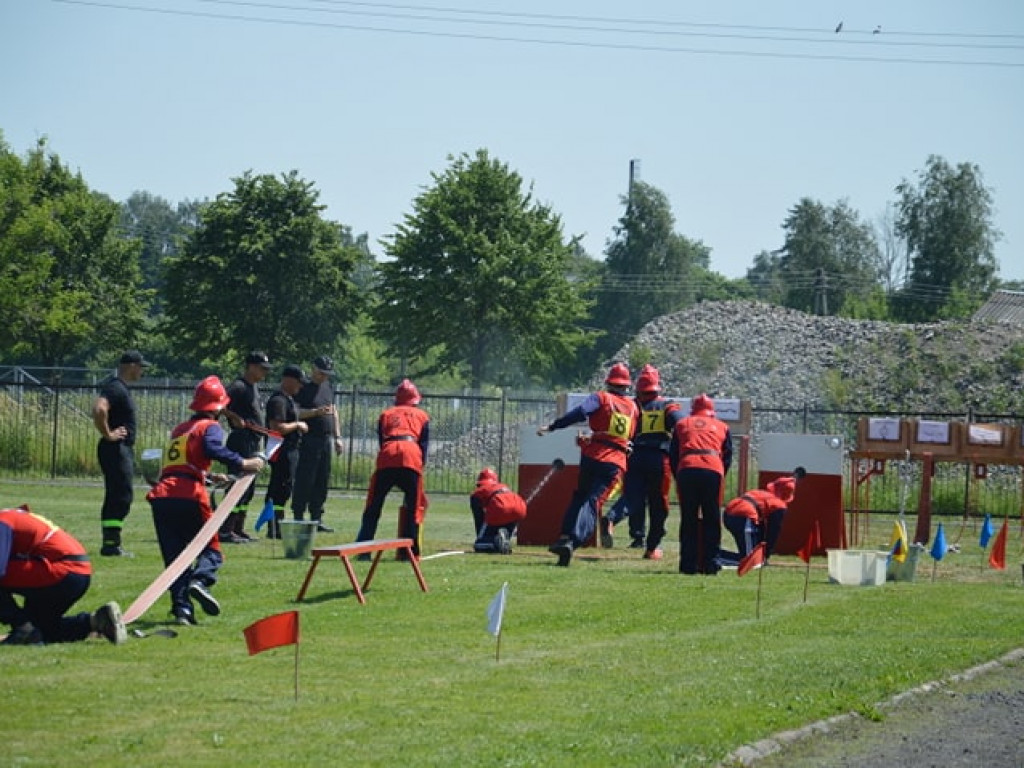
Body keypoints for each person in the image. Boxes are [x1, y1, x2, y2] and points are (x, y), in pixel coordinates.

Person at [146, 376, 264, 625]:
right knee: (211, 550)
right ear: (218, 408)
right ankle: (200, 581)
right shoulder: (209, 427)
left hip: (162, 496)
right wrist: (243, 462)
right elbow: (212, 448)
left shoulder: (180, 430)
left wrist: (207, 475)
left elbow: (179, 463)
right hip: (189, 496)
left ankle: (182, 611)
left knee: (175, 559)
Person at [537, 362, 639, 566]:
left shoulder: (600, 398)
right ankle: (572, 542)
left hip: (592, 455)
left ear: (609, 382)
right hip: (615, 461)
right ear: (626, 386)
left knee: (580, 496)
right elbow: (627, 437)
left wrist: (554, 426)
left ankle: (565, 536)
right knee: (593, 502)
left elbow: (579, 413)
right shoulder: (633, 408)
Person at [1, 504, 126, 645]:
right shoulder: (9, 517)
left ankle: (23, 628)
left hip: (62, 570)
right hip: (76, 573)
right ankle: (95, 622)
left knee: (30, 630)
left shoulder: (3, 521)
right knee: (43, 630)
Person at [601, 364, 683, 560]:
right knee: (658, 503)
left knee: (632, 497)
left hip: (633, 456)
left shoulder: (631, 406)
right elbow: (680, 423)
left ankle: (612, 519)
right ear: (657, 386)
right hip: (658, 457)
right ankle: (652, 546)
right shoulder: (666, 405)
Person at [356, 379, 430, 557]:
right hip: (411, 455)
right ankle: (410, 552)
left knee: (374, 504)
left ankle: (363, 548)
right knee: (413, 507)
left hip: (388, 454)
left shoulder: (386, 414)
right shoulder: (422, 416)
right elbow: (424, 445)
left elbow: (382, 440)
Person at [92, 349, 148, 556]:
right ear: (131, 366)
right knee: (120, 495)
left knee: (120, 494)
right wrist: (108, 434)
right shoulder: (116, 388)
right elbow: (99, 409)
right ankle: (111, 544)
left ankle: (112, 542)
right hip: (115, 448)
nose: (141, 371)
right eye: (140, 367)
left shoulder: (121, 388)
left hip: (119, 449)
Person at [669, 393, 732, 575]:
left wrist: (679, 474)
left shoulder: (681, 424)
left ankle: (687, 565)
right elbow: (727, 455)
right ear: (711, 411)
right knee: (712, 518)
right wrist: (719, 472)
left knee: (688, 518)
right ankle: (711, 563)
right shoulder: (722, 426)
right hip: (713, 469)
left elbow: (673, 455)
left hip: (687, 469)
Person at [220, 350, 273, 543]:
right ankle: (225, 530)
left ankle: (238, 528)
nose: (264, 372)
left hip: (252, 440)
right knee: (236, 485)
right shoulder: (238, 386)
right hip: (240, 440)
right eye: (262, 368)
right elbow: (219, 405)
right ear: (250, 366)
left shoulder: (254, 387)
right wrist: (234, 418)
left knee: (247, 489)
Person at [291, 356, 342, 533]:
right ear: (313, 369)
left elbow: (333, 411)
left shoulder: (327, 388)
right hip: (308, 440)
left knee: (322, 479)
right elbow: (295, 412)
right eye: (321, 373)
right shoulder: (303, 388)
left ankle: (316, 517)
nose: (324, 377)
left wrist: (338, 437)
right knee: (306, 479)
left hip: (325, 440)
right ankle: (298, 516)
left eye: (327, 374)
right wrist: (314, 413)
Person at [262, 365, 309, 539]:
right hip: (282, 450)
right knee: (279, 488)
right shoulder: (278, 401)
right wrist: (297, 425)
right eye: (298, 382)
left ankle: (277, 525)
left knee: (285, 488)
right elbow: (277, 427)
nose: (300, 386)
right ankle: (274, 527)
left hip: (290, 450)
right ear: (288, 379)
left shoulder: (288, 399)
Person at [719, 477, 797, 566]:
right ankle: (714, 558)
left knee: (749, 556)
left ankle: (715, 554)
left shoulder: (761, 494)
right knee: (751, 563)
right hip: (744, 517)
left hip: (729, 512)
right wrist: (766, 554)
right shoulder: (779, 505)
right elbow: (773, 532)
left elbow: (761, 527)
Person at [470, 468, 527, 555]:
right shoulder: (503, 486)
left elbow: (479, 517)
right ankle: (504, 541)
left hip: (500, 507)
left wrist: (480, 536)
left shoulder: (478, 492)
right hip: (519, 507)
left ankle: (495, 542)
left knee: (479, 545)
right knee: (504, 534)